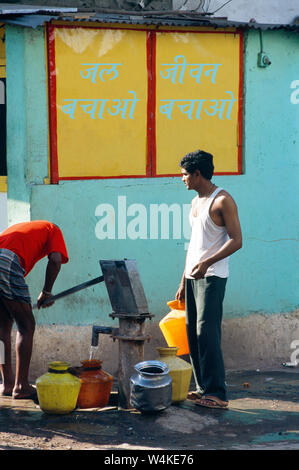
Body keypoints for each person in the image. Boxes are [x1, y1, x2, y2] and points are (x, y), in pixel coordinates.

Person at [176, 150, 242, 409]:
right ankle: (203, 387)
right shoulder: (195, 203)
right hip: (193, 275)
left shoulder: (223, 200)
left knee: (207, 332)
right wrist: (183, 279)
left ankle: (218, 393)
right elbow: (194, 245)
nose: (181, 179)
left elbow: (237, 241)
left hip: (212, 277)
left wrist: (206, 263)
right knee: (192, 332)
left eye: (184, 175)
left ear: (197, 174)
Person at [0, 220, 69, 399]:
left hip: (4, 259)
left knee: (2, 329)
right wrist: (46, 292)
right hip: (6, 262)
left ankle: (7, 383)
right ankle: (21, 386)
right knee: (26, 326)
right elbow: (55, 260)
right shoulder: (54, 229)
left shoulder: (25, 230)